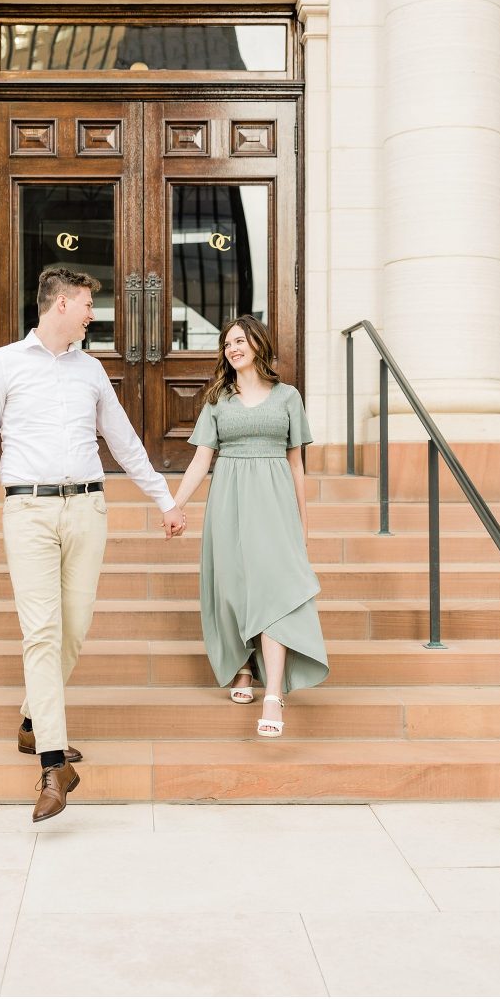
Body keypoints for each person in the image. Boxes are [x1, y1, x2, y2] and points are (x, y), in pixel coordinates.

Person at [0, 266, 185, 820]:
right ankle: (53, 765)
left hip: (87, 507)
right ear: (60, 304)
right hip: (28, 510)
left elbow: (126, 442)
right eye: (88, 303)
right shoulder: (3, 364)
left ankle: (31, 720)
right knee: (40, 631)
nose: (93, 312)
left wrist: (165, 500)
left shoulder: (91, 372)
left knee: (74, 627)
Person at [173, 315, 328, 737]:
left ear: (258, 343)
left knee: (274, 591)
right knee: (234, 585)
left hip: (275, 503)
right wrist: (176, 505)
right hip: (229, 500)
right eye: (227, 344)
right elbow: (201, 459)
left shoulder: (288, 397)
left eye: (239, 340)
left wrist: (303, 524)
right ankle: (242, 664)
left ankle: (274, 693)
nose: (232, 348)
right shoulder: (217, 399)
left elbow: (297, 465)